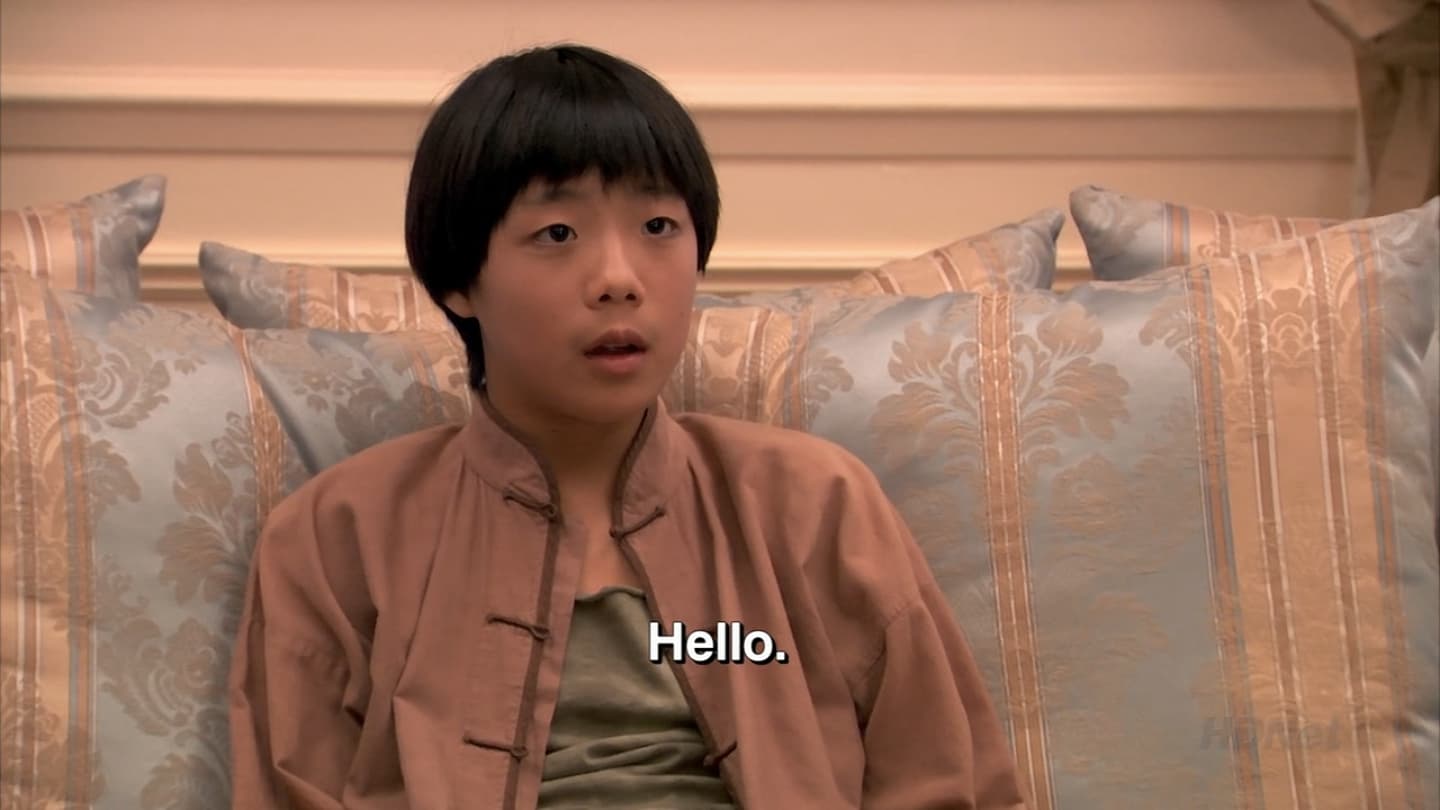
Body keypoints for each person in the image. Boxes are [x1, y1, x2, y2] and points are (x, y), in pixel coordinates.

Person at [227, 43, 1028, 810]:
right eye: (557, 234)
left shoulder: (814, 505)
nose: (619, 279)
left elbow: (948, 785)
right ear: (458, 280)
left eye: (658, 228)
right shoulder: (337, 537)